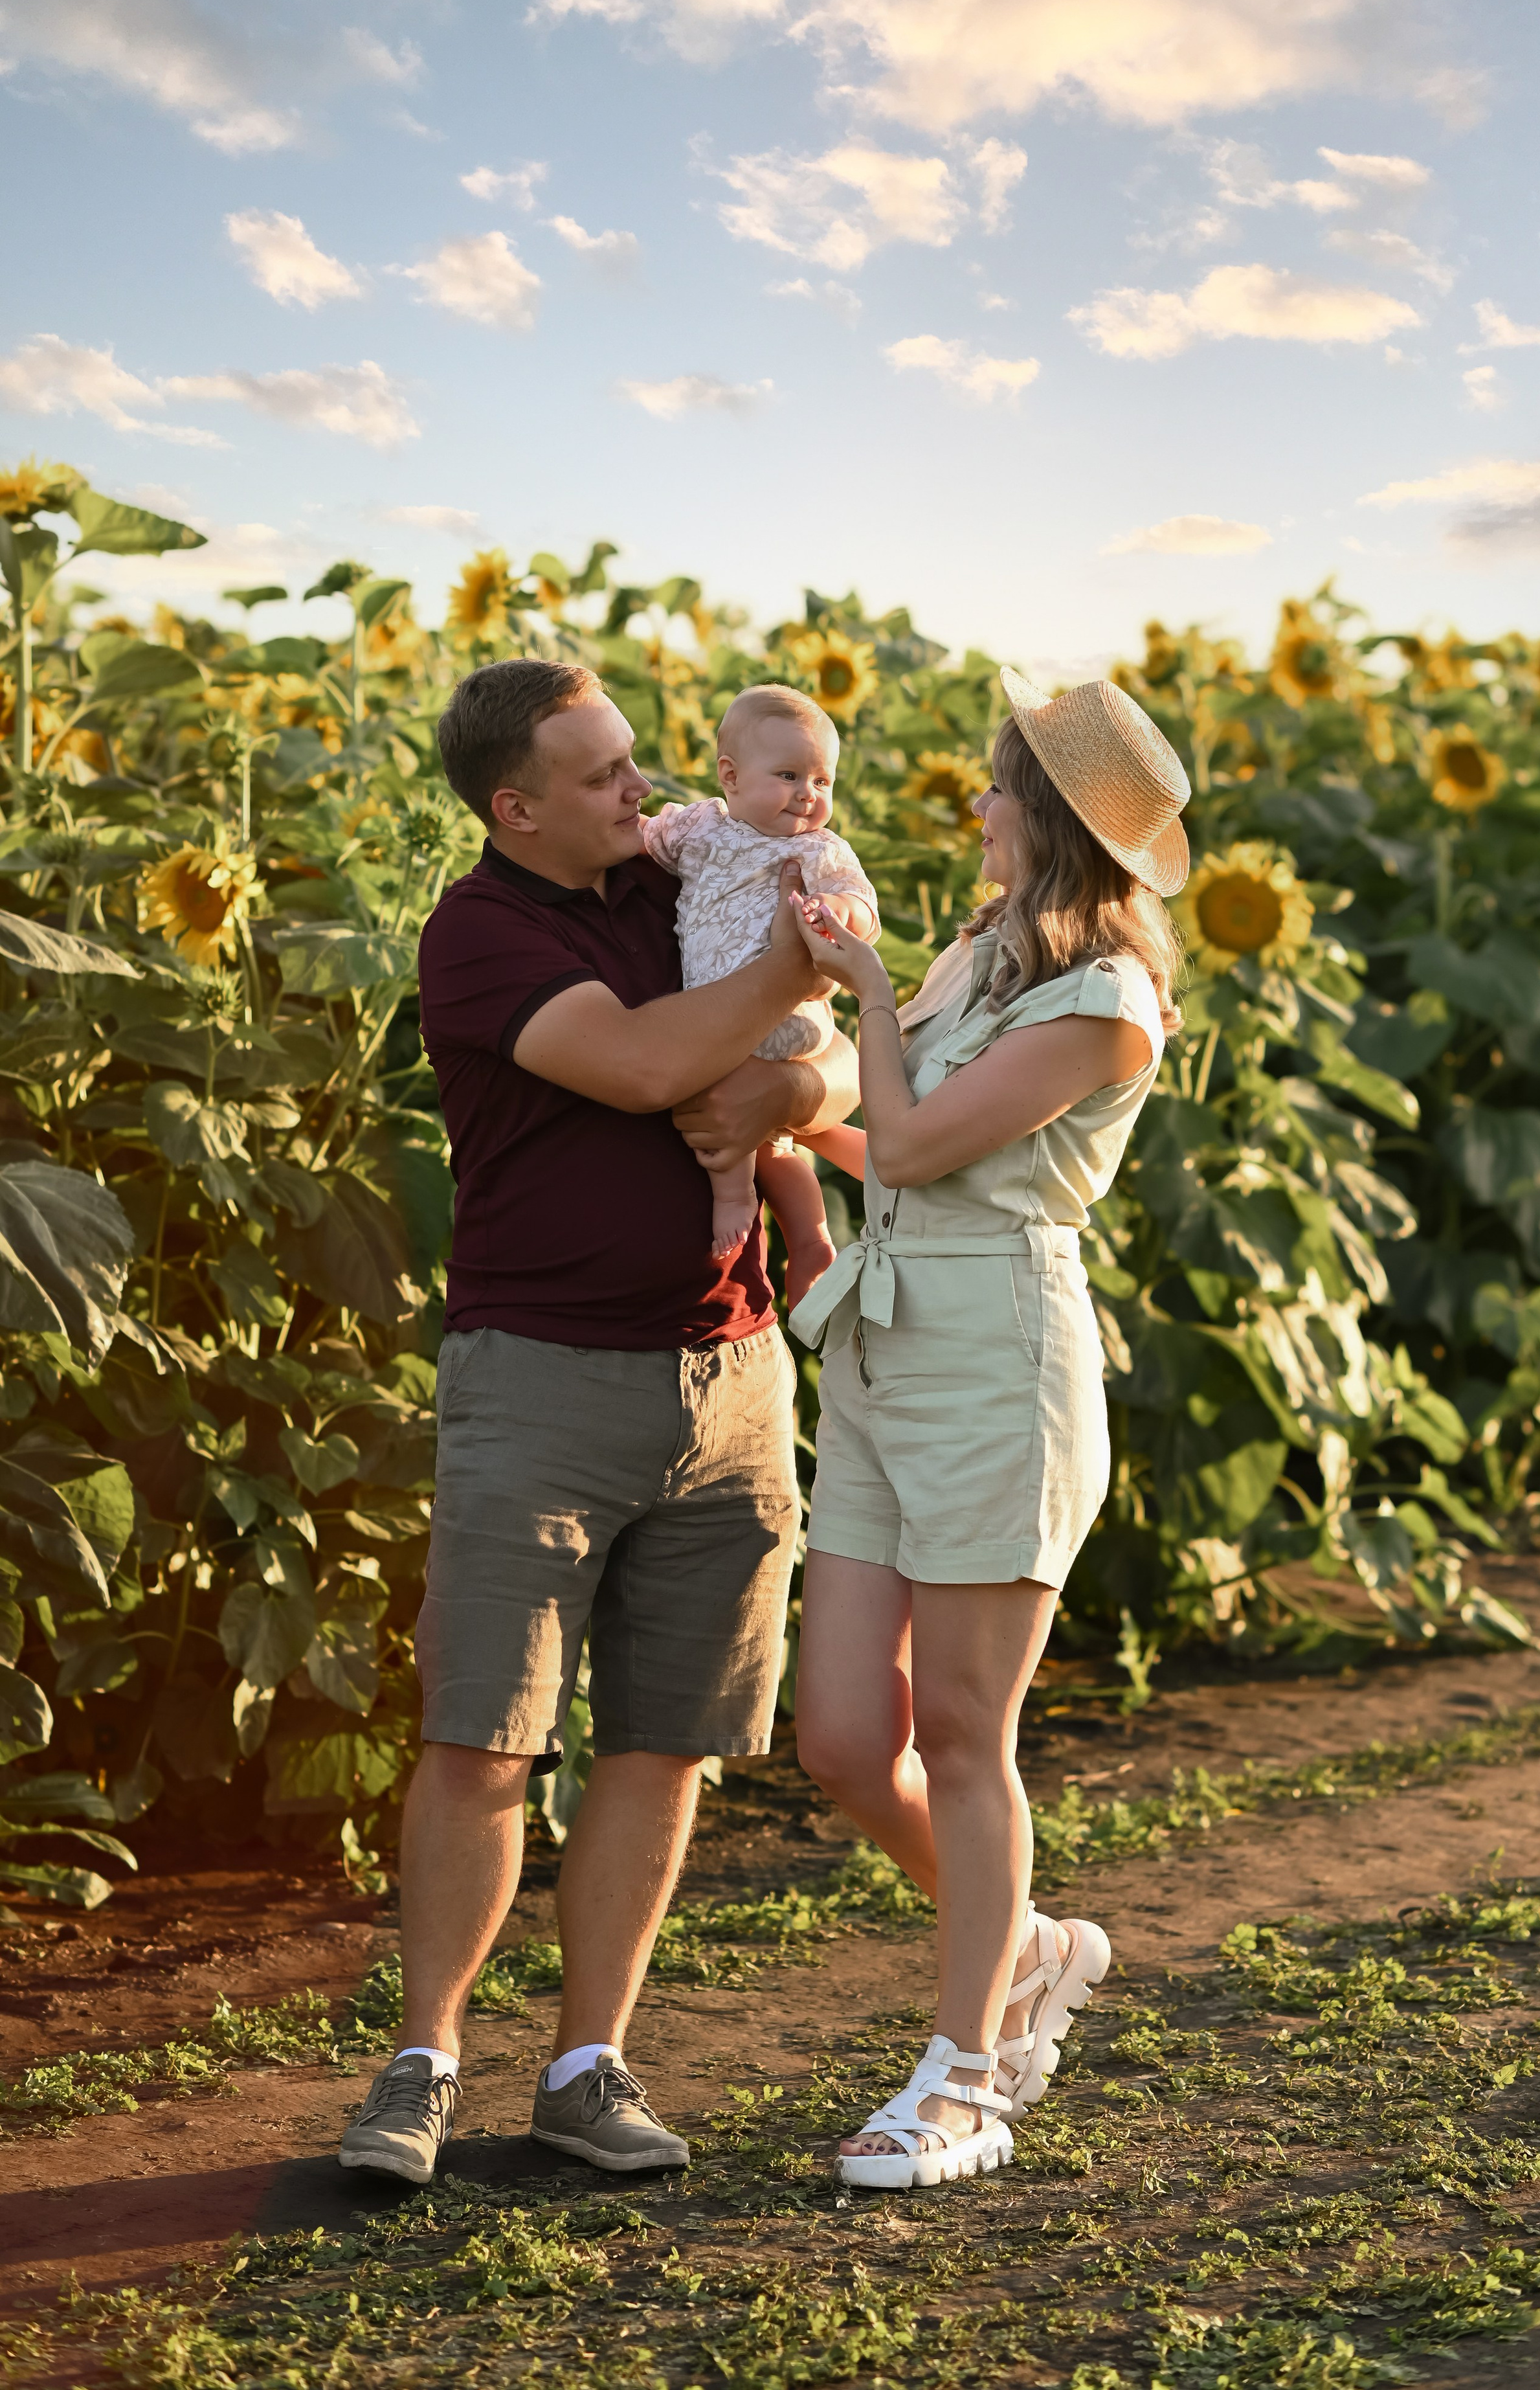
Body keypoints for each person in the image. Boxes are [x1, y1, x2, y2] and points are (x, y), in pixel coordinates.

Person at [338, 657, 858, 2186]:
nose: (642, 788)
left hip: (734, 1382)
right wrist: (801, 965)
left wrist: (794, 1077)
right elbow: (639, 1065)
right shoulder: (482, 930)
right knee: (484, 1735)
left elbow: (815, 1078)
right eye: (603, 775)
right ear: (516, 808)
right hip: (540, 1376)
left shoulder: (683, 877)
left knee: (660, 1742)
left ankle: (585, 2064)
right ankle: (423, 2061)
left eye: (638, 760)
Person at [785, 664, 1190, 2191]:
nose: (976, 808)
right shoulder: (978, 956)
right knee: (839, 1733)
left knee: (960, 1727)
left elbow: (905, 1132)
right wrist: (776, 1112)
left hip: (999, 1361)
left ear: (1051, 820)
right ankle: (1021, 1941)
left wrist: (863, 988)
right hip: (887, 1353)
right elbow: (877, 1144)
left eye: (997, 786)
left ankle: (961, 2081)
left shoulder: (1103, 1003)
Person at [640, 684, 878, 1298]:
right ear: (731, 777)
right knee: (777, 1145)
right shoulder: (701, 830)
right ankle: (810, 1236)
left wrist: (840, 911)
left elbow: (864, 904)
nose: (809, 794)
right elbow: (644, 835)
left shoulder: (819, 848)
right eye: (790, 775)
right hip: (737, 1008)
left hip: (786, 1011)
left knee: (725, 1104)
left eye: (824, 782)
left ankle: (733, 1200)